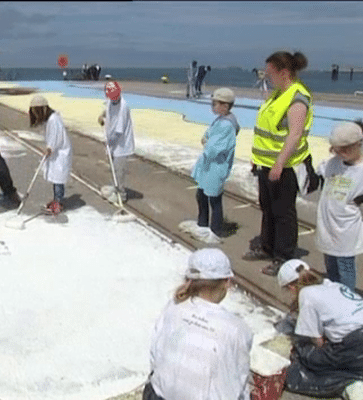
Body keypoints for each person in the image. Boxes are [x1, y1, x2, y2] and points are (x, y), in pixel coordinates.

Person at [144, 248, 253, 400]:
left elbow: (155, 355)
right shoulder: (237, 328)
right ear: (227, 282)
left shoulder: (174, 306)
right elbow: (238, 381)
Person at [243, 51, 314, 276]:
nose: (267, 77)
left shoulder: (297, 97)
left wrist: (279, 164)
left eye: (269, 73)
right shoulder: (278, 94)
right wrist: (257, 158)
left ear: (283, 73)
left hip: (285, 167)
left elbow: (294, 135)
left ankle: (284, 256)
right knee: (268, 208)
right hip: (265, 163)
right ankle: (267, 246)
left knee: (283, 213)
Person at [276, 259, 363, 397]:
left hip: (356, 343)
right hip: (357, 336)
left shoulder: (306, 294)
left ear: (291, 287)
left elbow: (318, 342)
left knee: (309, 356)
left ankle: (351, 380)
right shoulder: (332, 285)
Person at [311, 121, 363, 290]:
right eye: (336, 149)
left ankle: (348, 298)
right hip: (328, 226)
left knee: (345, 266)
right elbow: (316, 174)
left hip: (346, 229)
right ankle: (334, 294)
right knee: (331, 265)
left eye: (345, 149)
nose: (340, 153)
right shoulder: (333, 163)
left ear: (358, 145)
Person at [190, 88, 240, 243]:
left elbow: (214, 147)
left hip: (216, 167)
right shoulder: (220, 120)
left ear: (225, 105)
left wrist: (207, 143)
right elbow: (207, 136)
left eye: (215, 103)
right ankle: (202, 224)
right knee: (202, 195)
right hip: (209, 166)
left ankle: (216, 230)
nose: (212, 106)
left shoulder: (227, 125)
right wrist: (206, 141)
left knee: (214, 198)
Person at [28, 95, 73, 215]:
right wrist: (50, 148)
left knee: (58, 179)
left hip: (60, 153)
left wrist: (50, 148)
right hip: (57, 153)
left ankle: (58, 203)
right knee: (55, 178)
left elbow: (56, 137)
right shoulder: (51, 119)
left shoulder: (54, 119)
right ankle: (56, 200)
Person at [98, 81, 135, 203]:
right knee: (113, 168)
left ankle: (121, 195)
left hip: (122, 144)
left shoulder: (123, 107)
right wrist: (102, 116)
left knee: (119, 171)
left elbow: (119, 131)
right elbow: (107, 111)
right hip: (112, 141)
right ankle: (115, 188)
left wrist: (109, 142)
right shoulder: (110, 101)